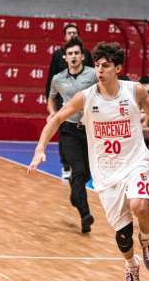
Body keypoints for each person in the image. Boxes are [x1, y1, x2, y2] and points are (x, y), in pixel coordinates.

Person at [30, 42, 149, 280]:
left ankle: (147, 238)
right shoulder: (87, 97)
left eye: (106, 65)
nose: (100, 70)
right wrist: (40, 148)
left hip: (134, 162)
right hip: (106, 172)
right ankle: (131, 264)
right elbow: (57, 118)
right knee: (123, 236)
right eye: (98, 65)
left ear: (118, 68)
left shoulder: (135, 91)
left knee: (140, 205)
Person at [47, 37, 97, 233]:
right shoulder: (57, 79)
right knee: (77, 169)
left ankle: (75, 194)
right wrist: (53, 112)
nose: (74, 56)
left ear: (82, 56)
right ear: (65, 57)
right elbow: (51, 98)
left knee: (86, 174)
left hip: (90, 130)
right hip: (68, 130)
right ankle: (85, 215)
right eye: (70, 54)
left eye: (77, 53)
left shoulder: (93, 75)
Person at [45, 24, 95, 180]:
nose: (72, 35)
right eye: (69, 33)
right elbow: (51, 82)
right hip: (64, 101)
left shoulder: (87, 58)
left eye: (75, 32)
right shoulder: (57, 57)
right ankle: (66, 166)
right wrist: (52, 111)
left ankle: (83, 169)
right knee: (65, 135)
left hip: (84, 105)